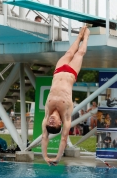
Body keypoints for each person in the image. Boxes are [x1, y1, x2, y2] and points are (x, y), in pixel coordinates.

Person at [41, 26, 90, 165]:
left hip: (58, 71)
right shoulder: (66, 117)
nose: (50, 121)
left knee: (70, 51)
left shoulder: (46, 115)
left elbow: (45, 136)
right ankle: (86, 36)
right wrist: (57, 158)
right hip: (71, 73)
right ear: (59, 123)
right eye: (53, 124)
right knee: (80, 52)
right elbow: (63, 139)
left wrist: (45, 157)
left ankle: (79, 35)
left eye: (49, 123)